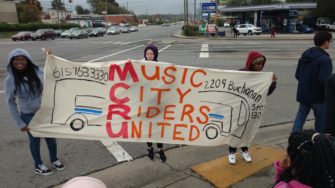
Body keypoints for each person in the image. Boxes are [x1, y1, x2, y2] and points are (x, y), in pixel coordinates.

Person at [4, 48, 65, 175]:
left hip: (44, 113)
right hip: (28, 115)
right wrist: (20, 123)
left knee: (51, 139)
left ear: (28, 60)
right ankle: (38, 165)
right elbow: (10, 102)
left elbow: (54, 75)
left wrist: (51, 58)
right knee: (35, 141)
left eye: (22, 59)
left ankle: (54, 159)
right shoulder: (10, 79)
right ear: (11, 62)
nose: (19, 62)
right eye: (15, 60)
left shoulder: (39, 72)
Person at [228, 51, 277, 165]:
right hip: (239, 108)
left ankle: (245, 150)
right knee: (237, 130)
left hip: (252, 110)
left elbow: (265, 93)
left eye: (261, 64)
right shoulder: (241, 74)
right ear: (251, 63)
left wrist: (273, 83)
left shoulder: (262, 77)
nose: (259, 66)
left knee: (248, 130)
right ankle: (232, 152)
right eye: (257, 64)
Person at [292, 31, 333, 134]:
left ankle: (293, 139)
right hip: (318, 97)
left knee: (300, 118)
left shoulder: (304, 56)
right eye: (330, 41)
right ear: (325, 42)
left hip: (303, 94)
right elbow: (323, 80)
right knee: (320, 122)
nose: (331, 43)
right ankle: (319, 143)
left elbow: (297, 75)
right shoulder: (325, 60)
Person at [143, 44, 167, 162]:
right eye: (147, 54)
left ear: (155, 54)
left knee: (159, 127)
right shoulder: (141, 67)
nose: (149, 56)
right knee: (149, 128)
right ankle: (149, 147)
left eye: (151, 54)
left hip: (158, 103)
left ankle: (161, 149)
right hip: (147, 103)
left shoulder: (161, 67)